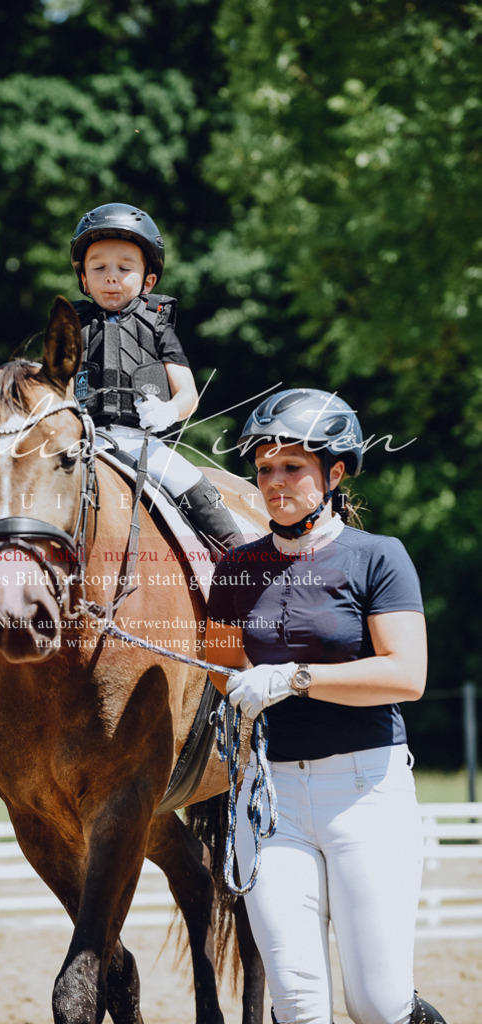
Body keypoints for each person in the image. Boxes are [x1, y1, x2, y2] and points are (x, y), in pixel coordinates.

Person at [204, 388, 447, 1024]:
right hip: (270, 803)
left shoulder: (379, 557)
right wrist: (240, 688)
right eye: (263, 469)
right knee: (300, 1004)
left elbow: (406, 674)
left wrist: (294, 678)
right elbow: (222, 667)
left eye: (293, 468)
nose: (274, 483)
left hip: (365, 792)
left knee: (377, 1003)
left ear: (334, 473)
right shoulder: (236, 568)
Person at [0, 201, 243, 639]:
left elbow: (188, 394)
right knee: (13, 503)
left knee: (192, 485)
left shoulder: (158, 326)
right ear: (83, 278)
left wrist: (168, 412)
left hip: (141, 440)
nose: (111, 277)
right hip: (84, 438)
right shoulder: (71, 325)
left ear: (148, 279)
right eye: (98, 268)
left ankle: (244, 563)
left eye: (124, 267)